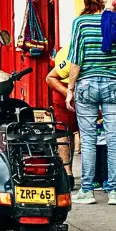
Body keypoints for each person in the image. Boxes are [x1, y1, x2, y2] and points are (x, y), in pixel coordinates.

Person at [66, 0, 116, 206]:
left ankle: (87, 191)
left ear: (86, 0)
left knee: (88, 140)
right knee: (114, 139)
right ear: (104, 0)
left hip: (86, 85)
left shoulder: (80, 24)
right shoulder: (115, 20)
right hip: (114, 85)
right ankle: (114, 192)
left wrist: (70, 88)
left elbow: (76, 59)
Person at [46, 46, 78, 191]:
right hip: (65, 90)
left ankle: (96, 176)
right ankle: (67, 174)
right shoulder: (69, 53)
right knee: (65, 132)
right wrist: (68, 93)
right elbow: (50, 78)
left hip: (87, 89)